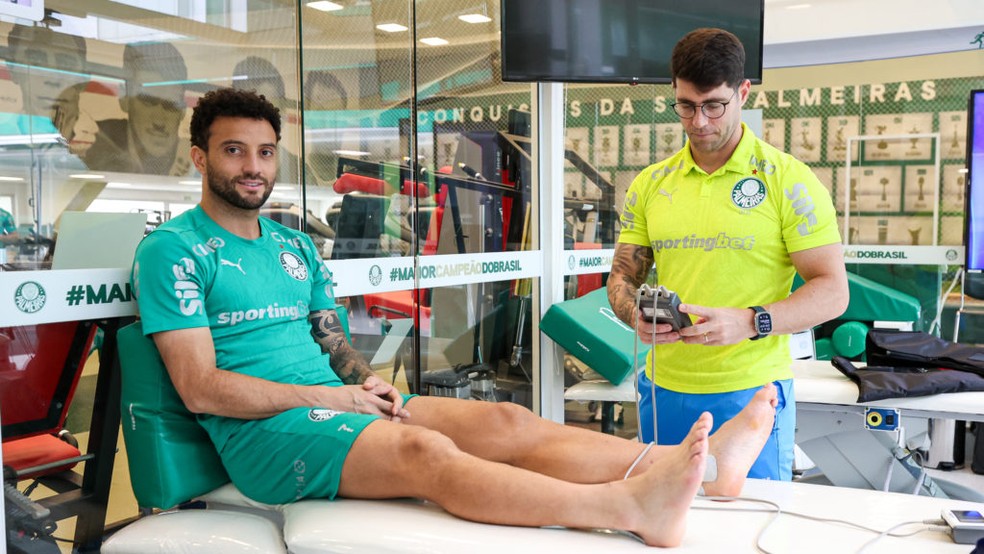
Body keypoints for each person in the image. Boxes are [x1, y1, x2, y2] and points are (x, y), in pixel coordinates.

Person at [131, 87, 779, 548]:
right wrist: (339, 398)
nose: (253, 168)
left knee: (505, 419)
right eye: (235, 152)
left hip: (334, 401)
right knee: (422, 448)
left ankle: (691, 464)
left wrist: (367, 381)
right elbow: (201, 387)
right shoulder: (174, 250)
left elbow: (331, 341)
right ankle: (629, 507)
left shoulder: (293, 245)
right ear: (199, 157)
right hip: (263, 437)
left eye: (265, 153)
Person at [608, 28, 849, 482]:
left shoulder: (788, 181)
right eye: (686, 105)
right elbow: (622, 277)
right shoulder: (651, 184)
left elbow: (833, 292)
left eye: (713, 105)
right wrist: (632, 313)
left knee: (749, 531)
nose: (699, 122)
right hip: (663, 389)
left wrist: (749, 321)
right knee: (659, 527)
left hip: (751, 391)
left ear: (742, 92)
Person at [85, 42, 191, 175]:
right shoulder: (96, 143)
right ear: (125, 99)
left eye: (171, 105)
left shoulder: (195, 159)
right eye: (147, 100)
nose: (159, 121)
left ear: (183, 111)